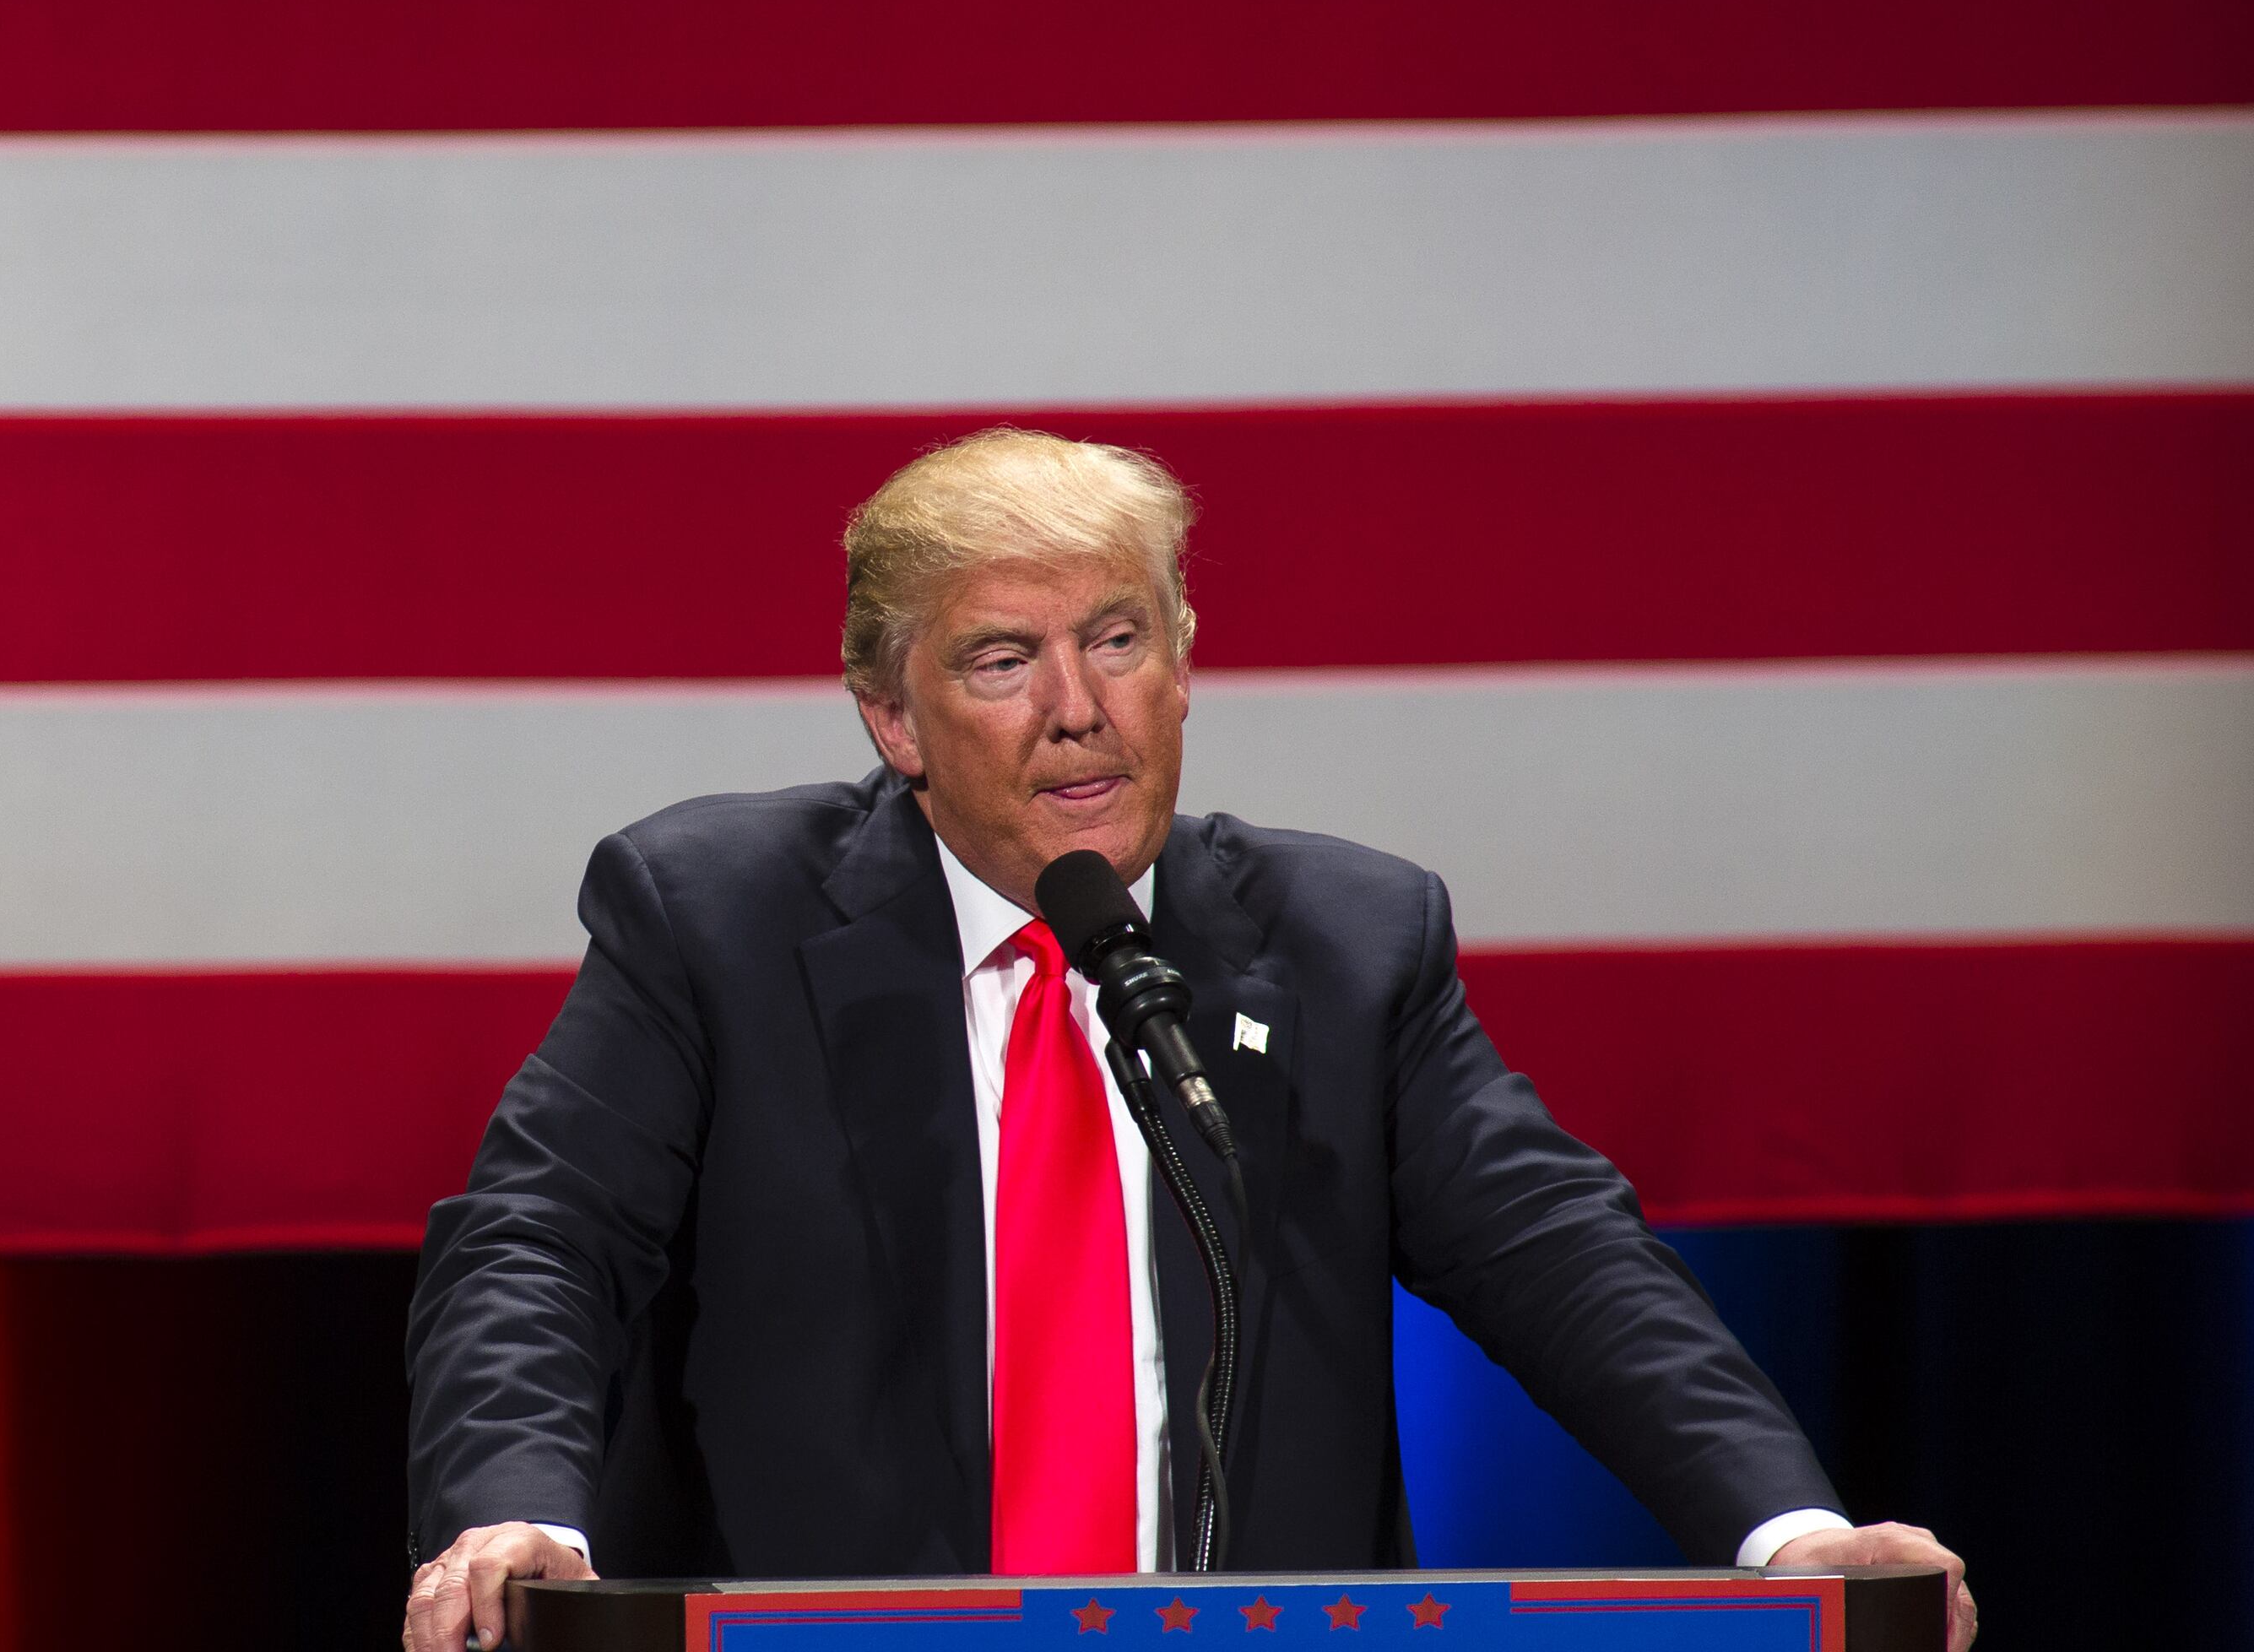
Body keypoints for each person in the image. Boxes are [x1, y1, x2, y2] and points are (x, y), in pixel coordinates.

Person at [401, 429, 1975, 1652]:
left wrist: (1790, 1537)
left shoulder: (1346, 944)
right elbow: (541, 1241)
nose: (1079, 710)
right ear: (892, 719)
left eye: (1118, 639)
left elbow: (1558, 1255)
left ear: (1186, 658)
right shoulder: (715, 918)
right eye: (1002, 660)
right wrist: (521, 1518)